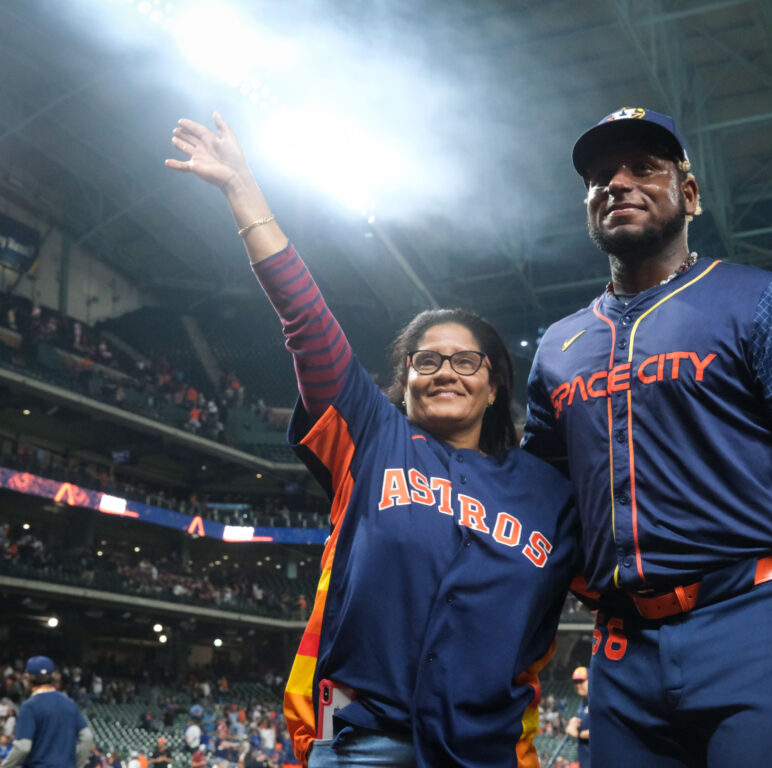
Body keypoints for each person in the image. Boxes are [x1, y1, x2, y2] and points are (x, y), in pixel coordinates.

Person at [166, 114, 579, 768]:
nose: (444, 369)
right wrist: (244, 194)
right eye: (425, 360)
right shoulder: (372, 438)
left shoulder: (550, 494)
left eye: (466, 361)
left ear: (496, 387)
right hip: (370, 741)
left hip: (490, 751)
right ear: (403, 380)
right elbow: (307, 323)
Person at [522, 107, 772, 766]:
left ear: (690, 194)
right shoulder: (559, 348)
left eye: (644, 168)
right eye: (599, 176)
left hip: (758, 619)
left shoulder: (761, 301)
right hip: (623, 645)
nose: (617, 183)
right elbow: (541, 503)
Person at [0, 656, 93, 768]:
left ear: (28, 678)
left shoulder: (30, 706)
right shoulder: (69, 703)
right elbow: (87, 737)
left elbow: (23, 747)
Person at [564, 668, 589, 768]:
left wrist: (578, 733)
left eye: (581, 681)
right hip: (586, 760)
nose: (578, 685)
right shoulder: (582, 703)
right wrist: (572, 725)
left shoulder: (599, 701)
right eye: (575, 682)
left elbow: (604, 731)